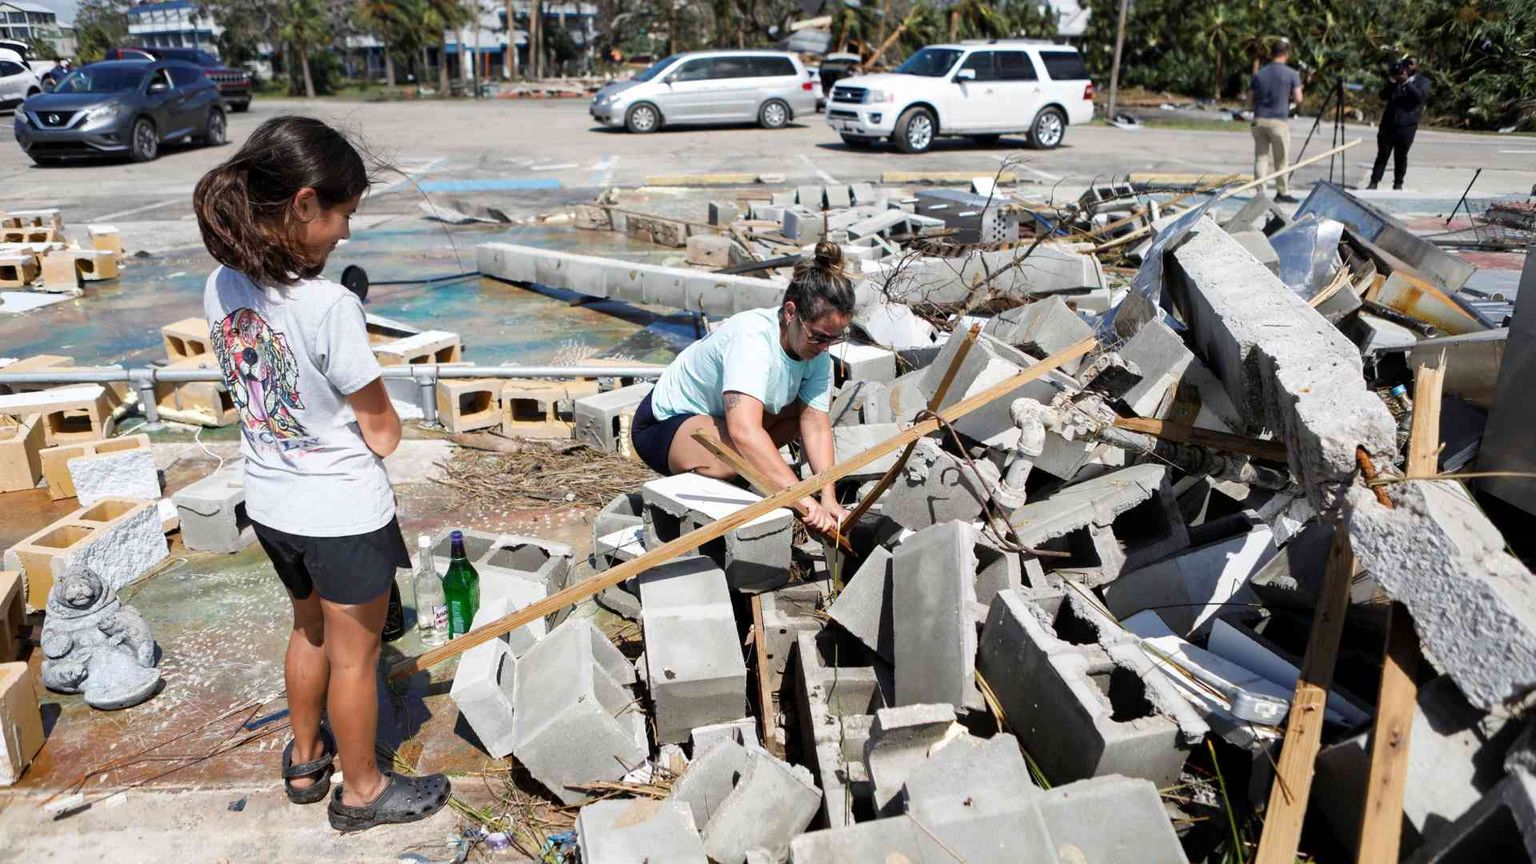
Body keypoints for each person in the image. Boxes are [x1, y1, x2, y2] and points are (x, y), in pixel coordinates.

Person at [193, 116, 450, 833]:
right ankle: (363, 790)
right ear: (304, 204)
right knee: (354, 659)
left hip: (272, 502)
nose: (346, 233)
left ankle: (306, 759)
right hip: (340, 514)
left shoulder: (220, 283)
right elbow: (382, 432)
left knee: (308, 629)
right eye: (343, 214)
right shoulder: (331, 305)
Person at [630, 241, 854, 536]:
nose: (825, 347)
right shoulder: (752, 339)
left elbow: (816, 425)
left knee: (798, 415)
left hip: (720, 419)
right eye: (818, 337)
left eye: (833, 339)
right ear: (790, 313)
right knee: (735, 455)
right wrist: (801, 499)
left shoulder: (818, 353)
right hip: (664, 424)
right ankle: (728, 475)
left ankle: (748, 473)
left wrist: (828, 497)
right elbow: (743, 431)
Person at [1249, 40, 1304, 203]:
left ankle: (1260, 193)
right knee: (1281, 160)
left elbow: (1249, 100)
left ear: (1271, 54)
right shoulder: (1292, 74)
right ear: (1285, 54)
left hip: (1259, 120)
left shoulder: (1259, 74)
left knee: (1261, 158)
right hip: (1279, 121)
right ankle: (1282, 192)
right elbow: (1299, 98)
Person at [1369, 57, 1430, 191]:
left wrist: (1407, 83)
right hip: (1388, 124)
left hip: (1407, 125)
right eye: (1406, 63)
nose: (1408, 66)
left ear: (1417, 66)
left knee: (1401, 156)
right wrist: (1393, 81)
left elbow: (1420, 97)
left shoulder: (1423, 81)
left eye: (1411, 64)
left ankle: (1398, 183)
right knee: (1382, 154)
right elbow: (1383, 95)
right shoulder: (1395, 80)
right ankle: (1374, 182)